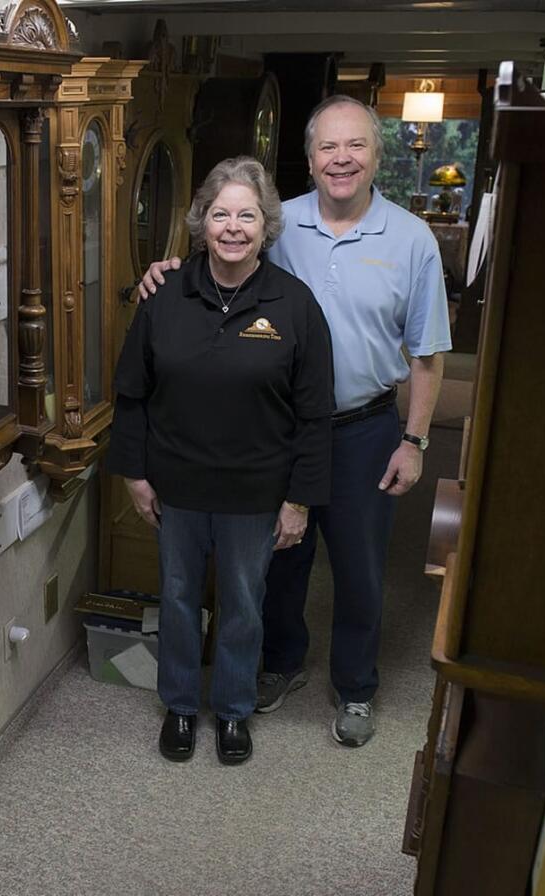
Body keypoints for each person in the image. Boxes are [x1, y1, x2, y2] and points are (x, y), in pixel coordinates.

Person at [140, 96, 450, 747]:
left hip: (367, 429)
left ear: (376, 154)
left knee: (361, 567)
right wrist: (165, 272)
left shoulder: (412, 239)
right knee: (280, 560)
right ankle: (279, 665)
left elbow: (427, 355)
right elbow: (223, 265)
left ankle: (356, 688)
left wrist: (414, 441)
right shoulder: (279, 226)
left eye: (356, 146)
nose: (341, 159)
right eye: (328, 147)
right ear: (309, 159)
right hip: (277, 429)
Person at [108, 156, 333, 765]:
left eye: (247, 215)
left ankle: (233, 711)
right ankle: (180, 706)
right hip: (177, 486)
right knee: (178, 598)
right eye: (220, 213)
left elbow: (315, 415)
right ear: (200, 221)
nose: (233, 227)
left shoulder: (294, 304)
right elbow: (131, 392)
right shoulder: (165, 295)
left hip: (257, 493)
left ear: (267, 227)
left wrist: (299, 501)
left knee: (242, 604)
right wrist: (135, 474)